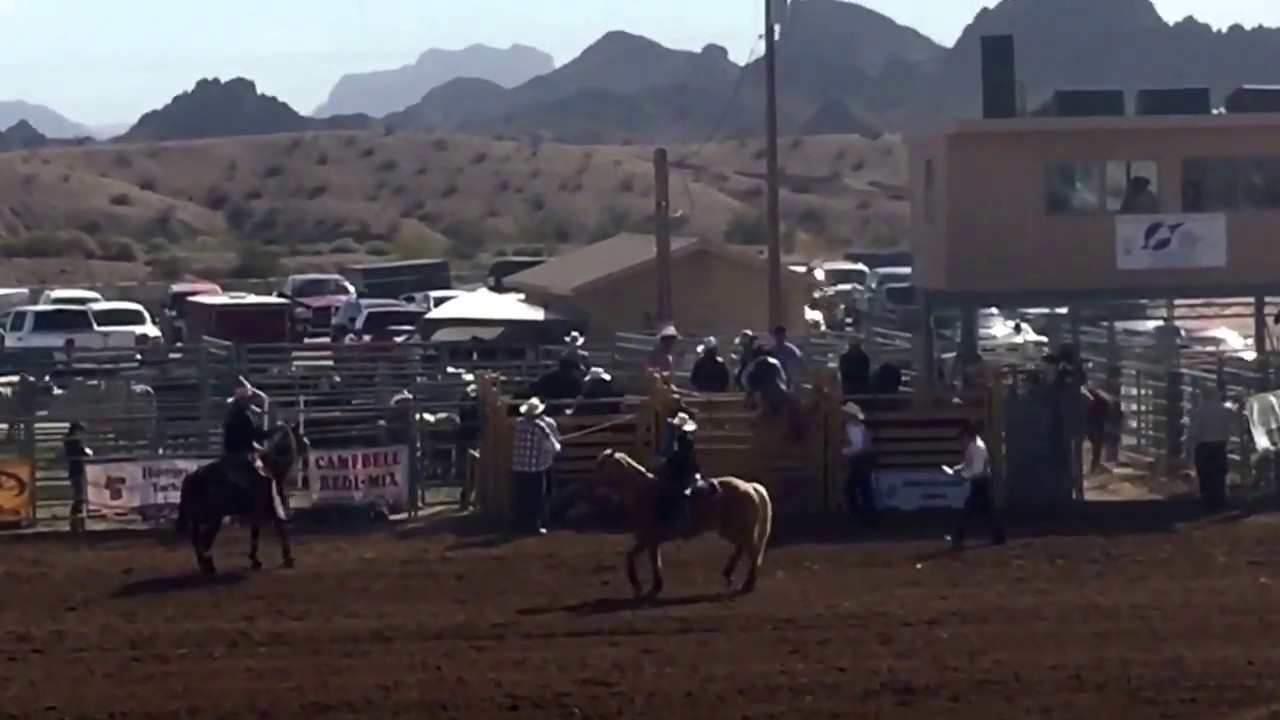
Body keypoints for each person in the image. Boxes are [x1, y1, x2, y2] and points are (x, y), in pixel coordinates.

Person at [947, 421, 1006, 551]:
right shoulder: (973, 446)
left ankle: (958, 538)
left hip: (981, 482)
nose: (961, 442)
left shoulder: (977, 448)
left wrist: (963, 476)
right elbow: (969, 464)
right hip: (981, 482)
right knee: (989, 511)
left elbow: (976, 469)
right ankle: (999, 535)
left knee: (969, 511)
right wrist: (959, 469)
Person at [511, 397, 560, 535]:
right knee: (537, 497)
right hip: (535, 468)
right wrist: (557, 445)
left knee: (522, 496)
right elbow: (552, 447)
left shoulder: (518, 424)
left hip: (519, 466)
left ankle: (520, 524)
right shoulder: (540, 427)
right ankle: (534, 526)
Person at [652, 410, 707, 533]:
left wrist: (666, 463)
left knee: (671, 492)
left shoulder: (684, 441)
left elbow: (681, 457)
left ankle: (675, 521)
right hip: (685, 470)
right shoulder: (684, 439)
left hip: (685, 473)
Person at [1186, 387, 1238, 513]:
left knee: (1205, 475)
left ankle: (1208, 501)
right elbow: (1234, 424)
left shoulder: (1200, 411)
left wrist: (1189, 445)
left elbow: (1194, 431)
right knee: (1218, 474)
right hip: (1219, 446)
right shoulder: (1224, 410)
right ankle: (1220, 500)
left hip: (1204, 446)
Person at [221, 385, 271, 489]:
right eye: (248, 400)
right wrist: (275, 432)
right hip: (241, 454)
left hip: (230, 453)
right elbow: (256, 435)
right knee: (263, 477)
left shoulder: (232, 414)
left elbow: (244, 436)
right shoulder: (243, 416)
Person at [840, 402, 878, 527]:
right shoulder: (859, 426)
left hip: (860, 458)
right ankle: (867, 516)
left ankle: (861, 515)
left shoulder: (852, 427)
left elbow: (857, 446)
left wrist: (844, 451)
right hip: (866, 457)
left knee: (854, 488)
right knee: (864, 487)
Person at [63, 422, 92, 531]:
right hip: (76, 469)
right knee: (79, 493)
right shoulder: (73, 441)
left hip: (75, 468)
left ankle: (76, 516)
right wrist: (86, 452)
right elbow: (81, 451)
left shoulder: (70, 440)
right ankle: (75, 516)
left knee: (79, 493)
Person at [456, 382, 480, 509]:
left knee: (474, 472)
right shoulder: (468, 406)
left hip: (474, 438)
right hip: (468, 439)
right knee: (469, 472)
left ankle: (471, 500)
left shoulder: (475, 405)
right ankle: (466, 499)